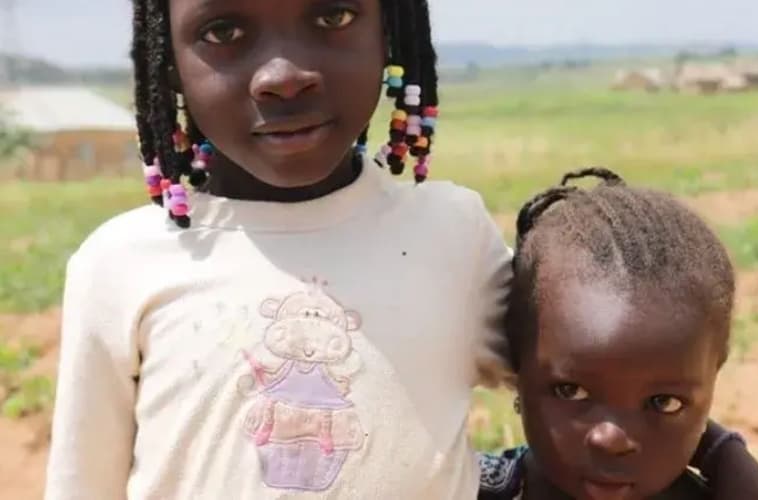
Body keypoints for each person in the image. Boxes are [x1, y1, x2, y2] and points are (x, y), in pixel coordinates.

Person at [45, 1, 511, 498]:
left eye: (333, 17)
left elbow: (567, 395)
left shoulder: (453, 236)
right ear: (170, 64)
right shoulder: (121, 266)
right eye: (222, 31)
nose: (283, 77)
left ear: (389, 35)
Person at [478, 168, 758, 500]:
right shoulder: (466, 489)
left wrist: (721, 453)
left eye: (663, 402)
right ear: (517, 367)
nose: (612, 439)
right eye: (571, 391)